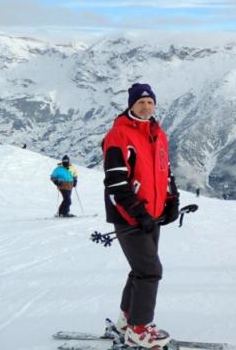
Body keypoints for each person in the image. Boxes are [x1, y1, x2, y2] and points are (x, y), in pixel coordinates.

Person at [102, 83, 180, 349]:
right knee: (150, 271)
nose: (146, 106)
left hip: (152, 214)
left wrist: (172, 200)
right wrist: (137, 213)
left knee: (140, 270)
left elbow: (165, 171)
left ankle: (127, 320)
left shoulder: (158, 133)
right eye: (140, 102)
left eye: (150, 102)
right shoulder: (119, 135)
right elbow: (115, 182)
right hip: (129, 215)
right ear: (131, 105)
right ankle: (139, 329)